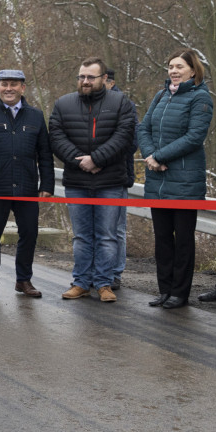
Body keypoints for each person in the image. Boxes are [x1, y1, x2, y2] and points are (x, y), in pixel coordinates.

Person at [49, 57, 137, 303]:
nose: (85, 81)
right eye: (81, 77)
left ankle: (104, 283)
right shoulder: (63, 104)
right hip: (77, 182)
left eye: (90, 77)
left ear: (104, 79)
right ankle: (81, 283)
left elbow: (125, 137)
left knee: (108, 236)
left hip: (110, 182)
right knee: (81, 236)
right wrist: (81, 162)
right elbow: (56, 137)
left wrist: (97, 159)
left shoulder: (121, 103)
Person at [138, 49, 213, 309]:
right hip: (157, 181)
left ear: (193, 71)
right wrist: (149, 155)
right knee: (162, 239)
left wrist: (159, 156)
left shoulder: (200, 98)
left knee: (182, 240)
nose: (173, 71)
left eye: (179, 66)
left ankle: (180, 293)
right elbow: (143, 127)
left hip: (185, 182)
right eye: (171, 66)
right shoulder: (161, 96)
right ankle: (164, 290)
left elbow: (194, 137)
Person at [0, 70, 55, 300]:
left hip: (27, 186)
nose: (9, 88)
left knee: (29, 233)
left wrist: (47, 184)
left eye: (14, 84)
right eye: (4, 84)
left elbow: (45, 154)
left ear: (23, 88)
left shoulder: (36, 116)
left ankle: (24, 280)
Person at [104, 68, 138, 289]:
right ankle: (98, 272)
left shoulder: (125, 104)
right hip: (90, 179)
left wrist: (101, 157)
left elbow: (132, 142)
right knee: (95, 231)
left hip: (117, 175)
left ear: (109, 82)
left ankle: (115, 273)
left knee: (116, 229)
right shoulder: (83, 103)